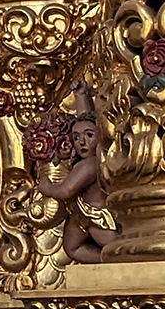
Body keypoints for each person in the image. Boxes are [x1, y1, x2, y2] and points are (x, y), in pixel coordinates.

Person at [35, 109, 118, 263]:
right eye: (76, 137)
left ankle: (117, 260)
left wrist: (47, 188)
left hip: (96, 216)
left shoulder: (90, 164)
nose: (82, 141)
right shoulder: (84, 163)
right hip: (80, 212)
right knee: (72, 248)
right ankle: (104, 260)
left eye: (89, 135)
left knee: (114, 247)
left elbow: (65, 191)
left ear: (101, 136)